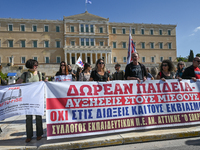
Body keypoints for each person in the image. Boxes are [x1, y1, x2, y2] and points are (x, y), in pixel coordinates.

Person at [16, 59, 43, 143]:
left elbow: (41, 84)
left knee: (39, 116)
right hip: (28, 98)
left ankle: (39, 134)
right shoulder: (25, 74)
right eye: (35, 65)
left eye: (37, 65)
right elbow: (18, 83)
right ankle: (29, 135)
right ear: (31, 65)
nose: (37, 66)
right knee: (28, 118)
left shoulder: (39, 73)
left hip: (37, 98)